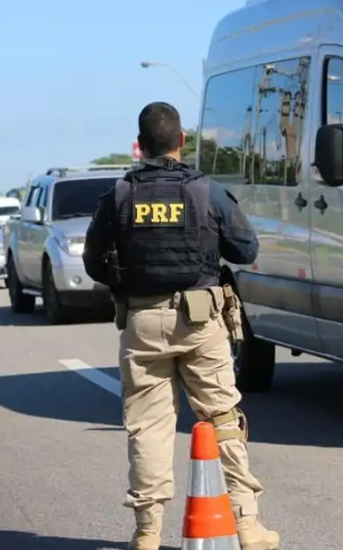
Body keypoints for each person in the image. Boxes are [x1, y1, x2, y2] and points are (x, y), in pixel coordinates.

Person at [83, 102, 279, 550]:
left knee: (148, 427)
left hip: (142, 319)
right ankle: (247, 525)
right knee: (222, 418)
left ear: (140, 144)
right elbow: (246, 249)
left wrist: (128, 282)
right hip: (200, 319)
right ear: (182, 141)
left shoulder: (118, 195)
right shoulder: (205, 192)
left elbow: (93, 261)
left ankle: (147, 533)